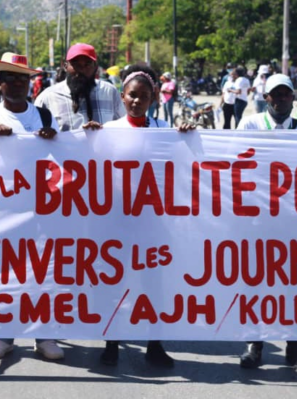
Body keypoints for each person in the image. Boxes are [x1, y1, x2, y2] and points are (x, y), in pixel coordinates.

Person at [98, 64, 194, 367]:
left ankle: (155, 343)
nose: (137, 101)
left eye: (143, 96)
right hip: (117, 222)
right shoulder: (107, 132)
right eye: (131, 96)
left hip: (154, 224)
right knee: (114, 283)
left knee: (154, 284)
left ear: (154, 98)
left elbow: (185, 166)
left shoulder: (166, 131)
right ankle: (111, 342)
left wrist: (188, 137)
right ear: (123, 98)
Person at [0, 53, 61, 361]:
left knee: (43, 270)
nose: (19, 83)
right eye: (11, 78)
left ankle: (43, 335)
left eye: (23, 78)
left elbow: (64, 161)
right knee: (4, 273)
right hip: (1, 208)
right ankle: (3, 333)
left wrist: (52, 142)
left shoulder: (45, 118)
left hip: (40, 209)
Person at [237, 74, 297, 371]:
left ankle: (295, 347)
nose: (281, 99)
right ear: (265, 98)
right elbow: (237, 164)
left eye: (286, 95)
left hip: (294, 219)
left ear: (292, 98)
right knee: (256, 281)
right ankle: (254, 343)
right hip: (258, 218)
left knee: (294, 283)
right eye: (275, 95)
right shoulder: (250, 125)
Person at [35, 43, 123, 131]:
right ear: (65, 66)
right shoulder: (48, 97)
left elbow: (123, 127)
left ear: (95, 67)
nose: (82, 69)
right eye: (76, 64)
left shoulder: (109, 92)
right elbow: (34, 132)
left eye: (87, 64)